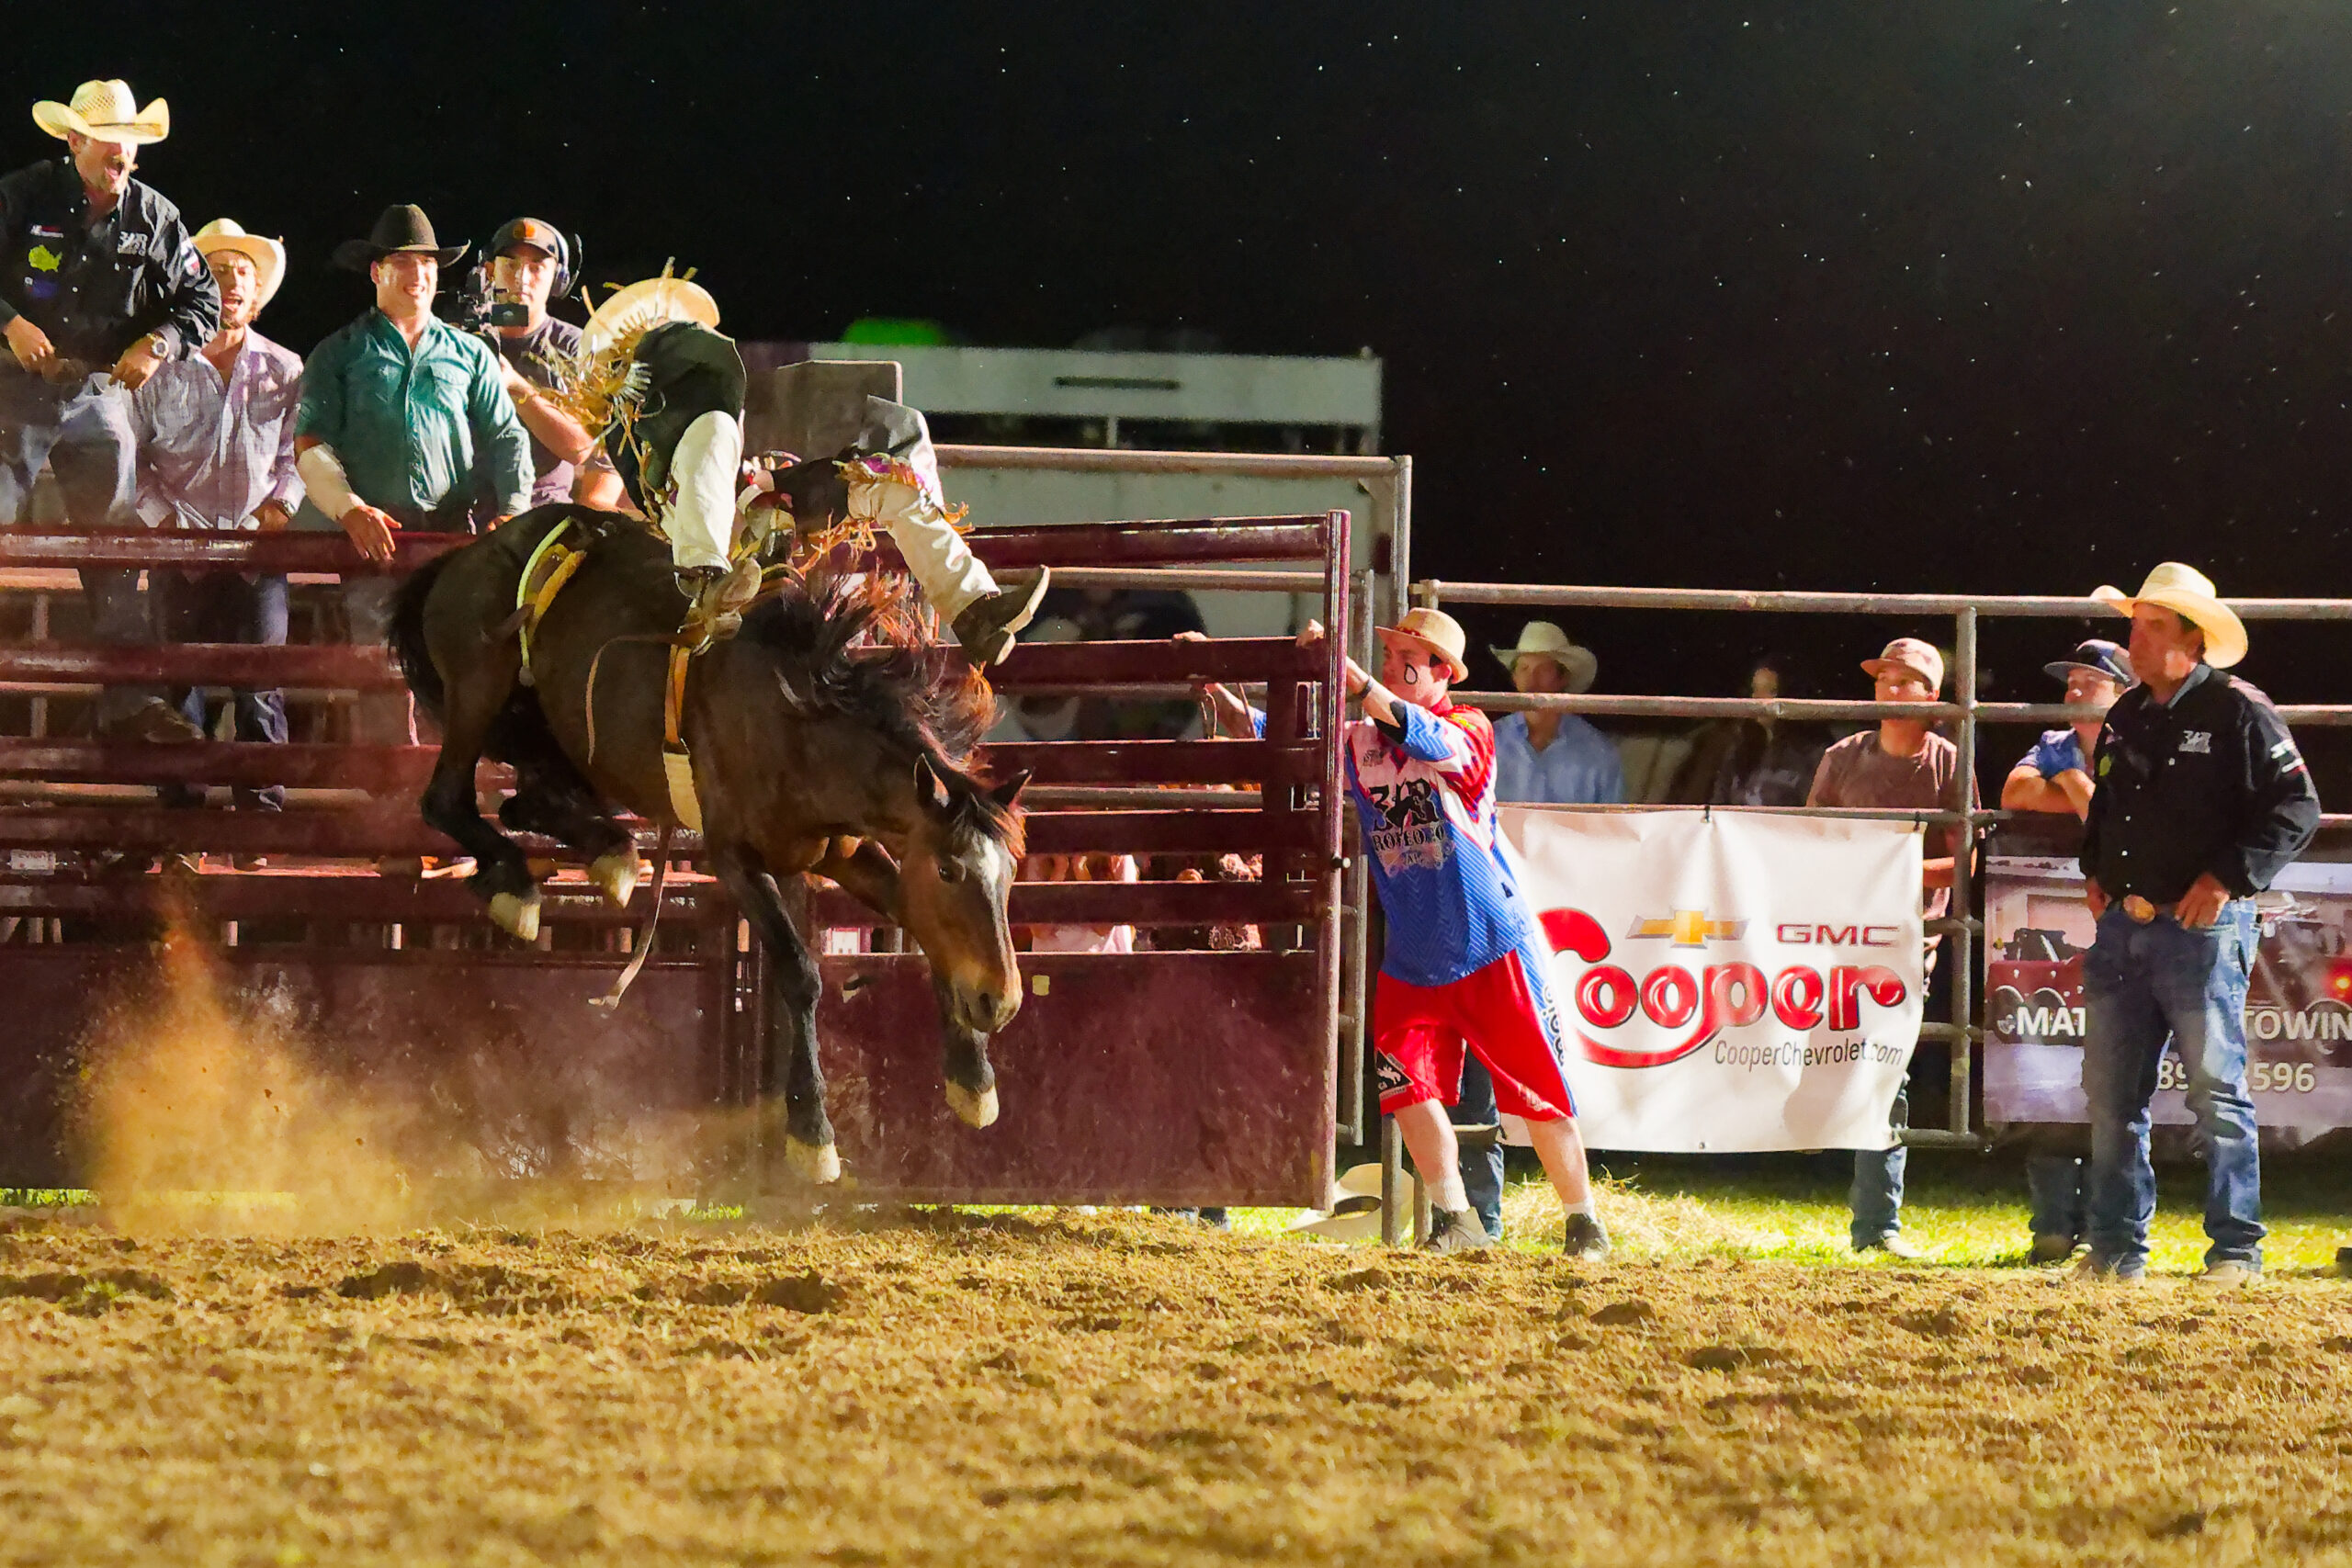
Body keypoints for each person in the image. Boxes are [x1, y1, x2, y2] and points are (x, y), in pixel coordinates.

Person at [1206, 608, 1609, 1257]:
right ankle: (1454, 1217)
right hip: (1418, 954)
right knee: (1405, 1081)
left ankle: (1583, 1218)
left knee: (1536, 1086)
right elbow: (1280, 741)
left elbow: (1421, 735)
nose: (1392, 666)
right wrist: (1220, 692)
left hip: (1490, 942)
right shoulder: (1361, 740)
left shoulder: (1468, 729)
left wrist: (1357, 679)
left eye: (1403, 658)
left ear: (1440, 672)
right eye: (1390, 657)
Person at [571, 274, 1047, 659]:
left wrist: (772, 471)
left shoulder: (721, 399)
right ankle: (707, 585)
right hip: (702, 537)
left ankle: (973, 610)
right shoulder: (638, 426)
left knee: (887, 482)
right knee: (715, 428)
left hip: (759, 503)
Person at [2076, 563, 2319, 1287]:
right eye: (2136, 623)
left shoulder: (2240, 710)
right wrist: (2095, 870)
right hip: (2128, 925)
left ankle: (2236, 1249)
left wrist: (2224, 879)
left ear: (2191, 639)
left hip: (2200, 929)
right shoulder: (2127, 713)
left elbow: (2295, 806)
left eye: (2151, 625)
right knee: (2113, 1093)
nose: (2135, 636)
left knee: (2215, 1089)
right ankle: (2117, 1248)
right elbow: (2107, 806)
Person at [0, 79, 220, 743]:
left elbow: (201, 301)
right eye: (110, 140)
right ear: (76, 142)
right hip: (13, 388)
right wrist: (9, 322)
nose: (122, 152)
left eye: (131, 142)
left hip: (96, 393)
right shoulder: (23, 194)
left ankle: (128, 700)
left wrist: (158, 342)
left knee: (117, 541)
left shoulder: (156, 219)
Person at [292, 204, 531, 743]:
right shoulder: (339, 353)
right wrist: (349, 508)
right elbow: (309, 442)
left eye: (426, 263)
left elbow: (507, 436)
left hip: (451, 539)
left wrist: (512, 512)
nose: (418, 274)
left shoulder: (469, 354)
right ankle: (390, 799)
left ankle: (440, 799)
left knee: (454, 671)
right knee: (381, 674)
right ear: (377, 272)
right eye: (403, 262)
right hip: (375, 541)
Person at [1805, 637, 1977, 1258]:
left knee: (1886, 1070)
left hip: (1905, 941)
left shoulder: (1950, 762)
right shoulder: (1842, 757)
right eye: (1885, 680)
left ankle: (1875, 1222)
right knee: (1835, 1063)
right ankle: (1867, 1218)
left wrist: (1884, 868)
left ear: (1932, 697)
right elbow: (1810, 840)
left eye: (1907, 682)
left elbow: (1964, 862)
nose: (1892, 690)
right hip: (1835, 937)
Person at [130, 220, 302, 829]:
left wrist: (279, 508)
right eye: (216, 270)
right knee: (181, 686)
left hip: (257, 549)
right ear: (193, 286)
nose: (230, 282)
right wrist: (168, 523)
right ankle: (182, 824)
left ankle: (257, 821)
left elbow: (296, 455)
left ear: (256, 294)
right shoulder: (158, 368)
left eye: (241, 273)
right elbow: (134, 458)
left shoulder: (285, 368)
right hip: (181, 549)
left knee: (261, 688)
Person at [1997, 637, 2134, 1264]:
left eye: (2091, 680)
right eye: (2072, 680)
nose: (2076, 689)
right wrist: (2081, 787)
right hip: (2068, 911)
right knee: (2048, 1061)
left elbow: (2133, 813)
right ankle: (2054, 1221)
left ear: (2122, 690)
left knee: (2115, 1073)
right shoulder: (2055, 744)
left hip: (2125, 912)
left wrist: (2084, 794)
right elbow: (2015, 791)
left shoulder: (2139, 737)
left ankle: (2108, 1224)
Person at [476, 216, 621, 513]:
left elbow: (582, 448)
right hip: (465, 516)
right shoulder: (465, 337)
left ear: (558, 278)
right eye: (511, 264)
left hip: (542, 515)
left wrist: (515, 385)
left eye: (536, 267)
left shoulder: (575, 347)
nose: (522, 279)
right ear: (490, 272)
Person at [1488, 621, 1623, 807]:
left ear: (1563, 678)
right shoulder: (1488, 743)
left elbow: (1612, 827)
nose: (1531, 681)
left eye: (1543, 670)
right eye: (1524, 668)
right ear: (1514, 677)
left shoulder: (1597, 753)